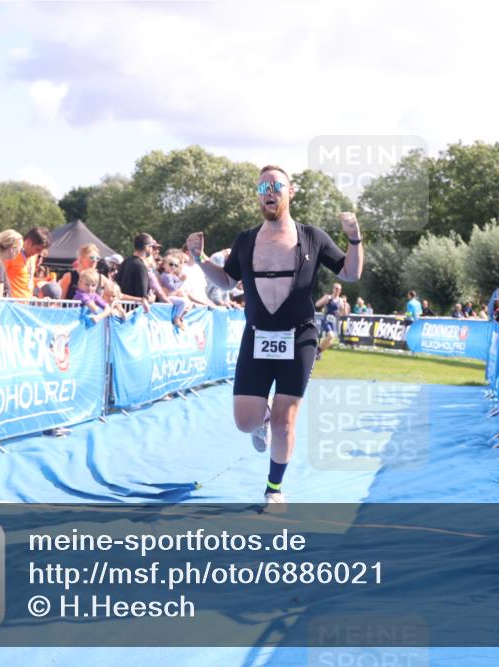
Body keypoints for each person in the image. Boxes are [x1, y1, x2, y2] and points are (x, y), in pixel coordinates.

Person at [186, 165, 363, 505]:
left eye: (275, 185)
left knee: (286, 422)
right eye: (262, 187)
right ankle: (261, 419)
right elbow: (225, 281)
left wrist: (354, 237)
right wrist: (199, 258)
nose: (268, 192)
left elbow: (352, 273)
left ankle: (274, 489)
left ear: (290, 191)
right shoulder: (246, 239)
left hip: (299, 338)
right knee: (244, 421)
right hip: (257, 336)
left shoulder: (313, 236)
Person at [5, 226, 51, 299]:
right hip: (11, 305)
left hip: (26, 305)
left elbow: (26, 279)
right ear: (28, 242)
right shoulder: (11, 253)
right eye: (37, 249)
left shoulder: (34, 256)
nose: (38, 253)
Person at [116, 233, 156, 311]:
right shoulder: (140, 266)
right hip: (133, 313)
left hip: (121, 310)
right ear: (147, 247)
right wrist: (151, 298)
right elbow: (143, 296)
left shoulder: (125, 262)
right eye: (152, 247)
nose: (152, 250)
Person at [315, 282, 348, 360]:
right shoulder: (328, 297)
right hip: (326, 320)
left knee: (330, 341)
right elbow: (317, 304)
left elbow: (343, 314)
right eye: (336, 289)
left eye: (339, 289)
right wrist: (324, 301)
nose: (338, 291)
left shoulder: (340, 301)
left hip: (333, 322)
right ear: (333, 289)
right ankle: (317, 350)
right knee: (331, 336)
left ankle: (318, 352)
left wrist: (345, 304)